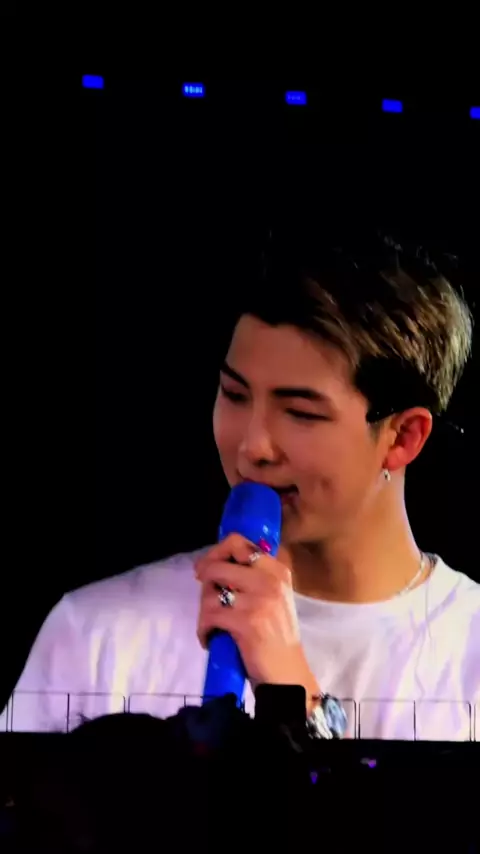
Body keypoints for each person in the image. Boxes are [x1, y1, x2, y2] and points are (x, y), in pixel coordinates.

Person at [1, 230, 478, 740]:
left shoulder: (469, 653)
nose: (253, 447)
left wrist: (296, 698)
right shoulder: (96, 632)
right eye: (234, 394)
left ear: (403, 437)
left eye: (300, 413)